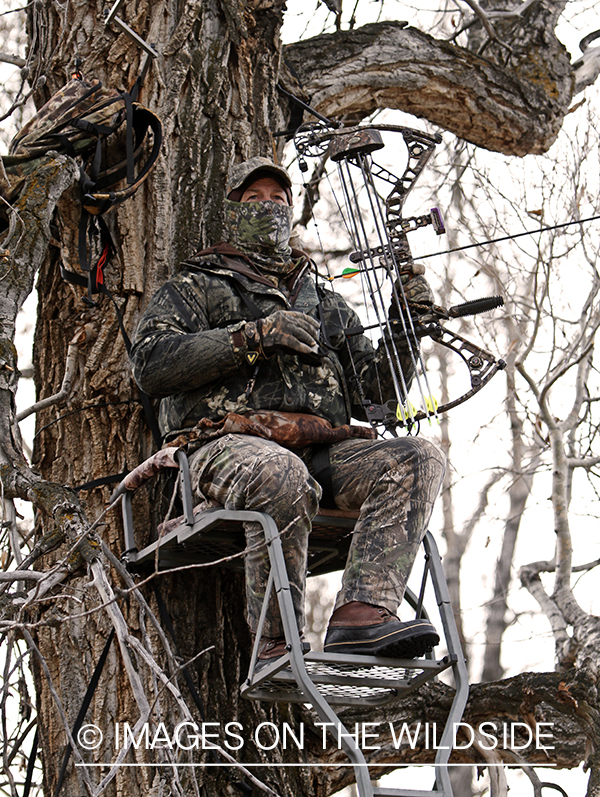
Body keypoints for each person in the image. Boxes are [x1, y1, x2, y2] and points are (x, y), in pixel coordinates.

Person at [131, 156, 446, 667]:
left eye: (278, 200)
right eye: (254, 200)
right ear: (232, 213)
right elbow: (151, 365)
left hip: (324, 451)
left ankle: (363, 615)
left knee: (417, 457)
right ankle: (274, 646)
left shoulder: (325, 303)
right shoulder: (195, 287)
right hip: (223, 444)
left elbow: (377, 396)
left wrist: (404, 326)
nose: (269, 208)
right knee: (282, 473)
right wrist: (254, 336)